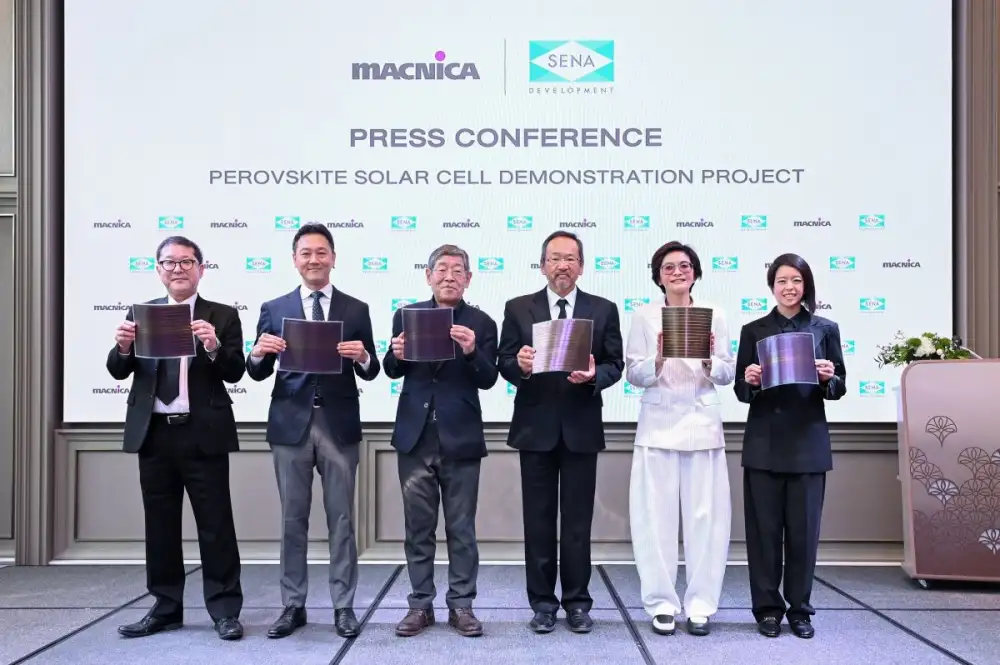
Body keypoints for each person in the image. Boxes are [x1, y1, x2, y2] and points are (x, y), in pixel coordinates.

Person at [106, 236, 245, 641]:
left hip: (203, 434)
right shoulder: (141, 313)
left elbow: (236, 371)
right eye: (169, 262)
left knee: (216, 526)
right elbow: (118, 370)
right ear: (158, 270)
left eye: (186, 262)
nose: (178, 269)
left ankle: (224, 610)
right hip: (154, 434)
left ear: (201, 268)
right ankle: (166, 608)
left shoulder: (222, 315)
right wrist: (123, 347)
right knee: (160, 526)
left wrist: (213, 345)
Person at [246, 223, 380, 639]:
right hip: (291, 425)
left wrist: (363, 357)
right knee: (292, 519)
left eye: (322, 252)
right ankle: (293, 605)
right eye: (306, 253)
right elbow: (256, 371)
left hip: (338, 424)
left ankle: (344, 605)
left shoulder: (356, 309)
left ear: (333, 258)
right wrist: (257, 353)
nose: (314, 260)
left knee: (342, 518)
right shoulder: (274, 307)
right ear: (295, 260)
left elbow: (373, 369)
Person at [497, 230, 624, 634]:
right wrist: (520, 366)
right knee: (537, 522)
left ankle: (578, 603)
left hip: (581, 428)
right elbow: (503, 360)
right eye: (554, 258)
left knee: (577, 524)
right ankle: (542, 604)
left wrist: (595, 375)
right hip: (535, 429)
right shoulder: (518, 308)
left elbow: (616, 363)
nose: (562, 266)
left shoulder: (603, 309)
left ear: (581, 266)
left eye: (570, 258)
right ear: (542, 266)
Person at [383, 244, 499, 638]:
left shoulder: (481, 322)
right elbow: (391, 369)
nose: (449, 276)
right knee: (418, 528)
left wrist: (471, 351)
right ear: (428, 275)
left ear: (468, 278)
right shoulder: (406, 315)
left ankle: (462, 605)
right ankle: (420, 605)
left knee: (461, 528)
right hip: (415, 436)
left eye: (457, 270)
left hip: (461, 437)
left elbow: (488, 378)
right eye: (442, 269)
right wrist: (396, 354)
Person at [733, 253, 846, 639]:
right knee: (764, 535)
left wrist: (829, 378)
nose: (789, 287)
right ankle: (767, 610)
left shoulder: (825, 328)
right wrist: (750, 380)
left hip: (807, 444)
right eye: (781, 281)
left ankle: (800, 610)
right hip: (764, 443)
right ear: (772, 286)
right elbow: (740, 392)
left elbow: (839, 388)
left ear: (806, 285)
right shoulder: (754, 330)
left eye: (796, 280)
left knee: (803, 534)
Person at [625, 241, 734, 637]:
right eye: (668, 267)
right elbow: (633, 373)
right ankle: (662, 604)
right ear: (658, 276)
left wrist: (708, 358)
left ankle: (701, 605)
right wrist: (656, 359)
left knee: (707, 521)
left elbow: (726, 373)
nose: (677, 272)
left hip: (703, 425)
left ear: (695, 273)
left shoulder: (715, 314)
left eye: (684, 266)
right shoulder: (644, 315)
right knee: (655, 521)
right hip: (657, 426)